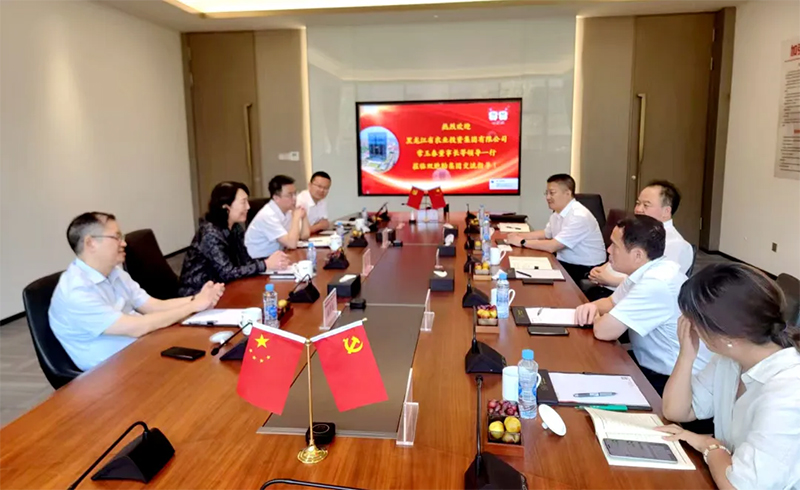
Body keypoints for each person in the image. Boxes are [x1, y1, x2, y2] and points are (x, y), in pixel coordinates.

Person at [657, 264, 800, 490]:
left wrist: (709, 445)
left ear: (726, 336)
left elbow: (738, 487)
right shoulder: (730, 359)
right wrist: (686, 354)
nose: (688, 326)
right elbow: (677, 411)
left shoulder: (788, 391)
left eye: (693, 321)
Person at [49, 212, 225, 371]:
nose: (124, 243)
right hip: (110, 372)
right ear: (90, 243)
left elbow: (152, 306)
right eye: (116, 237)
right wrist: (193, 306)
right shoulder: (76, 291)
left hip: (142, 349)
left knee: (210, 353)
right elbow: (136, 328)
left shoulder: (114, 271)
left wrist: (197, 299)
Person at [574, 215, 711, 395]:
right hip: (652, 364)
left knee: (586, 378)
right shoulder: (647, 270)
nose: (608, 250)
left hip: (675, 381)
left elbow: (604, 331)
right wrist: (592, 307)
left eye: (614, 245)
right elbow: (611, 302)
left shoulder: (655, 282)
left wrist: (596, 315)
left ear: (637, 255)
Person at [585, 180, 694, 301]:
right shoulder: (638, 230)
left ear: (666, 211)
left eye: (646, 205)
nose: (638, 209)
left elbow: (657, 284)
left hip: (631, 299)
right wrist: (603, 269)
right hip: (610, 292)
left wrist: (611, 280)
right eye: (638, 203)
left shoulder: (676, 244)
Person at [179, 182, 290, 297]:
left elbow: (245, 261)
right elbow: (227, 273)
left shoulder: (235, 228)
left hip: (221, 287)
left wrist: (270, 261)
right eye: (243, 202)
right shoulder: (210, 234)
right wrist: (265, 264)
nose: (248, 207)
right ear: (225, 207)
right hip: (198, 294)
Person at [506, 174, 606, 283]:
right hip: (565, 263)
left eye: (552, 193)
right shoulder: (557, 213)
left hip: (585, 269)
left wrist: (522, 242)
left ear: (567, 193)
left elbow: (552, 246)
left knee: (530, 277)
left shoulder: (578, 216)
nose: (547, 197)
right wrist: (517, 235)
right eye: (546, 193)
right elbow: (546, 234)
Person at [245, 175, 310, 259]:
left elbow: (304, 236)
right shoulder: (268, 215)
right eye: (290, 195)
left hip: (276, 257)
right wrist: (296, 218)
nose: (294, 198)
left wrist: (304, 216)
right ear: (276, 198)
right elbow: (292, 244)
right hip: (259, 261)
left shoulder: (287, 211)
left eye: (295, 193)